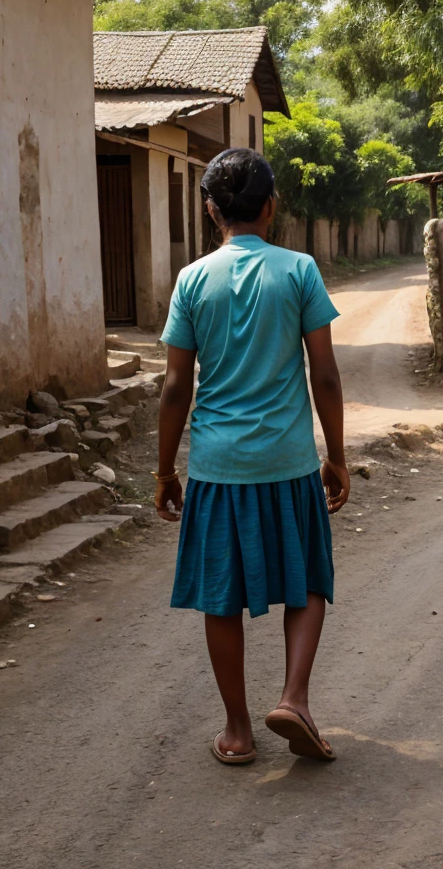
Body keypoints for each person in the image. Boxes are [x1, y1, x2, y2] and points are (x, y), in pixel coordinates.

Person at [154, 147, 351, 766]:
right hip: (289, 463)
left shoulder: (191, 280)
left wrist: (165, 470)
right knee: (309, 579)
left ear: (212, 211)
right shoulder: (299, 271)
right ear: (272, 208)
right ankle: (294, 697)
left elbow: (175, 388)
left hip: (216, 469)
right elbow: (324, 373)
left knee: (221, 596)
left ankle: (238, 731)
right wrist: (337, 455)